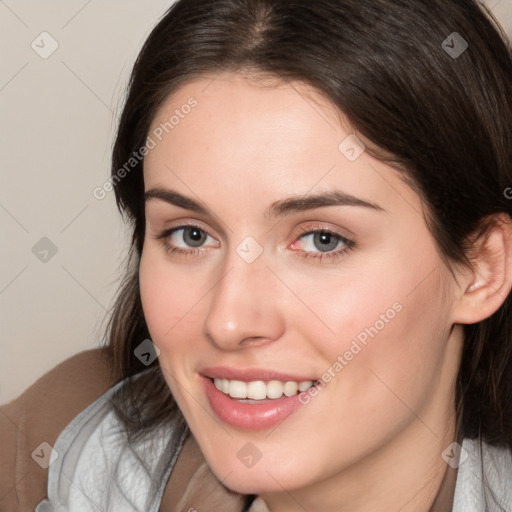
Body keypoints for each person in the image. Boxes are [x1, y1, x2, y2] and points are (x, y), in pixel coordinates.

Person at [2, 0, 512, 510]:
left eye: (321, 240)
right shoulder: (52, 445)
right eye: (191, 235)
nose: (228, 322)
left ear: (482, 269)